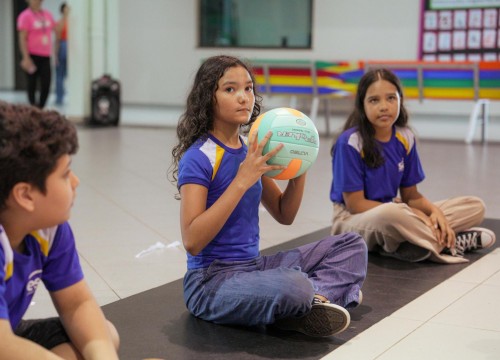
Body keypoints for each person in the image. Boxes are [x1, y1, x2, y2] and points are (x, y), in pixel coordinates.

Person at [169, 55, 367, 337]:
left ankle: (309, 302)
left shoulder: (251, 148)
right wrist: (241, 180)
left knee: (352, 246)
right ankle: (311, 298)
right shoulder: (199, 157)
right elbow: (192, 240)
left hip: (253, 267)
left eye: (248, 88)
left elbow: (284, 214)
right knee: (294, 285)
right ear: (208, 98)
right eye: (230, 89)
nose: (243, 98)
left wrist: (300, 169)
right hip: (210, 283)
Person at [330, 68, 495, 264]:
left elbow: (411, 196)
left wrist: (435, 213)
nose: (384, 106)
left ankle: (414, 242)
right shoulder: (350, 142)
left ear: (400, 100)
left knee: (475, 206)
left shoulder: (405, 137)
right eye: (374, 100)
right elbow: (355, 204)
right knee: (392, 214)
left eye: (391, 98)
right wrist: (412, 213)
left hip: (397, 211)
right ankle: (448, 243)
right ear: (362, 105)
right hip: (353, 219)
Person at [0, 101, 120, 359]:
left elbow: (77, 304)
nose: (76, 181)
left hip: (5, 331)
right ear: (25, 195)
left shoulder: (49, 229)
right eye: (66, 174)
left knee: (104, 337)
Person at [17, 0, 56, 109]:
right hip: (32, 55)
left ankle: (40, 108)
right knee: (32, 84)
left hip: (45, 55)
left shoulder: (47, 15)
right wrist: (25, 57)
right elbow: (22, 38)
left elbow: (56, 29)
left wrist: (66, 16)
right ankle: (33, 108)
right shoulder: (25, 16)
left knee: (46, 84)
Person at [54, 2, 69, 106]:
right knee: (60, 74)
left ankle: (62, 93)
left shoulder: (71, 22)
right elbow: (58, 39)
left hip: (68, 47)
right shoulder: (60, 23)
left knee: (64, 74)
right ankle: (59, 96)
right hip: (63, 46)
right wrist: (55, 54)